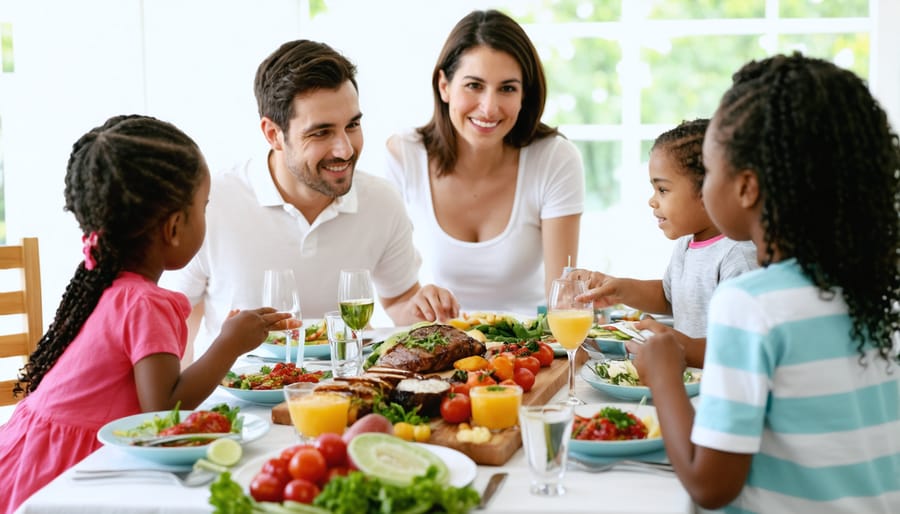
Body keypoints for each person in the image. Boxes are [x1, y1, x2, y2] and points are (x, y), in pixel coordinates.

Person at [631, 53, 900, 512]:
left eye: (711, 171)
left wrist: (663, 375)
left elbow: (709, 486)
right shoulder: (870, 295)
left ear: (747, 187)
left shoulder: (750, 304)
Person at [0, 115, 292, 514]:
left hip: (32, 450)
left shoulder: (101, 282)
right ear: (174, 228)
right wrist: (229, 345)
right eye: (202, 207)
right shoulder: (145, 304)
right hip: (75, 469)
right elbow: (163, 409)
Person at [161, 40, 459, 360]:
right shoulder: (213, 203)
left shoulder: (381, 202)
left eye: (352, 125)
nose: (345, 149)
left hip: (349, 395)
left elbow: (399, 300)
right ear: (273, 134)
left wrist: (423, 308)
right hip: (240, 400)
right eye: (321, 133)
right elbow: (177, 321)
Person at [385, 9, 584, 315]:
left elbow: (564, 303)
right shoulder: (404, 155)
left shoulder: (554, 158)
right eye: (474, 86)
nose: (489, 108)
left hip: (530, 347)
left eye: (507, 88)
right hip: (445, 345)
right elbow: (396, 302)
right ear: (444, 86)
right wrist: (419, 305)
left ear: (523, 96)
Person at [568, 119, 757, 367]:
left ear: (709, 190)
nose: (652, 201)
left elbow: (739, 348)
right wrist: (618, 289)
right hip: (686, 381)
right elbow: (671, 298)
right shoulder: (686, 245)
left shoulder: (737, 255)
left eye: (663, 190)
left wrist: (672, 343)